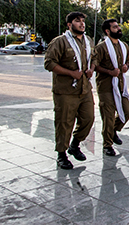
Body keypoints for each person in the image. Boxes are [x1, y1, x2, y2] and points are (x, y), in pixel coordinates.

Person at [44, 12, 96, 170]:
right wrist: (70, 73)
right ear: (69, 25)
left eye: (83, 21)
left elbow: (94, 58)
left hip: (84, 88)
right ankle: (61, 155)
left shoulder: (88, 41)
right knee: (64, 122)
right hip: (66, 90)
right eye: (77, 21)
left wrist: (91, 69)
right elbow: (49, 63)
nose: (82, 24)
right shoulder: (60, 42)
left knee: (88, 119)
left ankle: (74, 144)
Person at [93, 19, 129, 156]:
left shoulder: (124, 46)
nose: (119, 28)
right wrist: (110, 72)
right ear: (107, 31)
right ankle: (107, 144)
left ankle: (113, 130)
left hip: (121, 85)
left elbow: (127, 61)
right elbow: (95, 65)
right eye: (115, 27)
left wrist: (126, 66)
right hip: (106, 87)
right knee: (108, 116)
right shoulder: (101, 47)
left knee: (126, 111)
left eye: (118, 26)